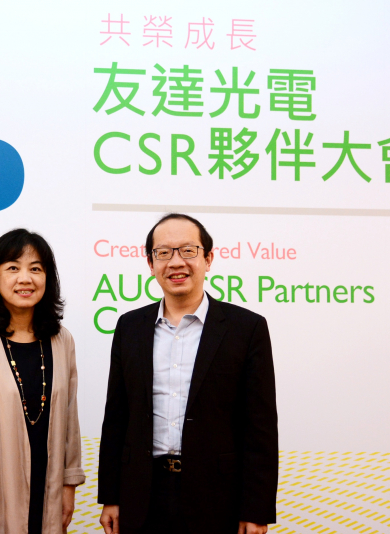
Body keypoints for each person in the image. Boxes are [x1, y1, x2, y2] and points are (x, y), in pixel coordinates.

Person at [98, 213, 278, 534]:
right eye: (163, 252)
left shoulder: (246, 328)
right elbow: (116, 418)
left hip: (217, 499)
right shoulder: (130, 327)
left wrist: (255, 509)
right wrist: (110, 497)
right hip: (142, 495)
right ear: (151, 263)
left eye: (188, 250)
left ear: (208, 259)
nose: (176, 262)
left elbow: (259, 427)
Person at [0, 228, 85, 534]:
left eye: (36, 269)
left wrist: (68, 484)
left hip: (49, 491)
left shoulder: (62, 340)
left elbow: (69, 420)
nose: (25, 278)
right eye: (13, 268)